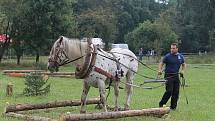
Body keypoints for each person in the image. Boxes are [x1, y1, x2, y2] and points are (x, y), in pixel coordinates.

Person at [158, 43, 186, 110]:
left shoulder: (180, 57)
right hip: (168, 76)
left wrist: (183, 71)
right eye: (171, 48)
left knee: (176, 92)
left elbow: (184, 64)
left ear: (177, 49)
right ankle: (162, 103)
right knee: (169, 91)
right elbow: (161, 63)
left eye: (173, 48)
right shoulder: (167, 56)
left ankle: (173, 107)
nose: (172, 50)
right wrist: (160, 70)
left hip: (176, 76)